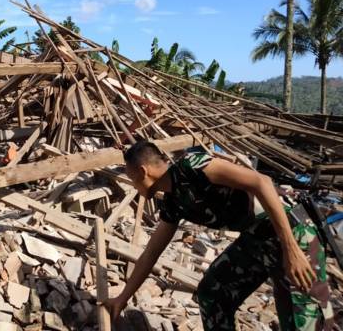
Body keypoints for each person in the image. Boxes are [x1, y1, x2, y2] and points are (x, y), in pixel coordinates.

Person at [106, 141, 334, 331]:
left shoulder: (192, 166)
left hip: (294, 234)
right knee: (212, 293)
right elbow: (150, 255)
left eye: (131, 177)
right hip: (256, 239)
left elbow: (261, 182)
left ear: (142, 171)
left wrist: (291, 249)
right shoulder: (173, 203)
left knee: (302, 322)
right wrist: (122, 298)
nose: (133, 185)